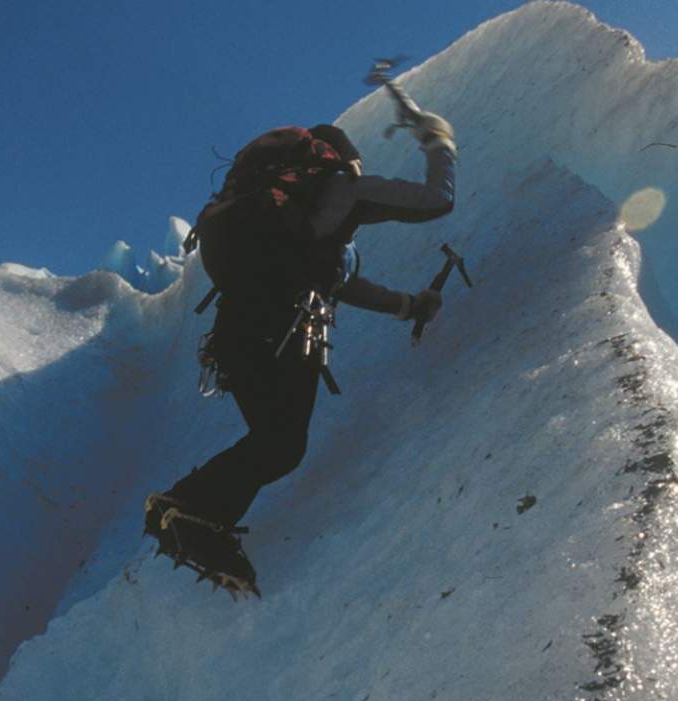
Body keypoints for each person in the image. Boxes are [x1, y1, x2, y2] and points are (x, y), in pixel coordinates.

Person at [144, 115, 457, 595]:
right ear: (339, 160)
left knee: (275, 442)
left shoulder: (285, 225)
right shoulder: (343, 188)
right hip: (286, 330)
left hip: (235, 336)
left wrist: (408, 305)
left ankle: (195, 519)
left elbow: (337, 281)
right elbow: (437, 200)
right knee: (281, 445)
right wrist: (439, 142)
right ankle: (186, 508)